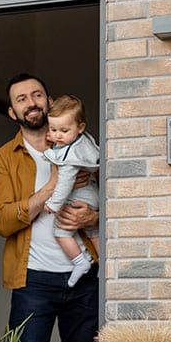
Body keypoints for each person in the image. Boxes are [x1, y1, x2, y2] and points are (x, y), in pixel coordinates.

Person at [0, 73, 99, 342]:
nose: (32, 103)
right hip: (33, 281)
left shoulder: (82, 147)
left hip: (87, 279)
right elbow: (3, 222)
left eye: (37, 95)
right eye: (22, 99)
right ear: (13, 112)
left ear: (49, 102)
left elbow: (116, 198)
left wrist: (94, 217)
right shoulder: (3, 158)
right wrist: (52, 185)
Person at [43, 95, 100, 288]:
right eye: (53, 130)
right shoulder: (83, 142)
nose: (58, 136)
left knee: (60, 231)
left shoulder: (70, 157)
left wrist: (54, 204)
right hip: (93, 196)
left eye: (64, 130)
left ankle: (79, 261)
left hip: (79, 197)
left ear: (80, 127)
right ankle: (105, 264)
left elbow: (65, 183)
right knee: (93, 231)